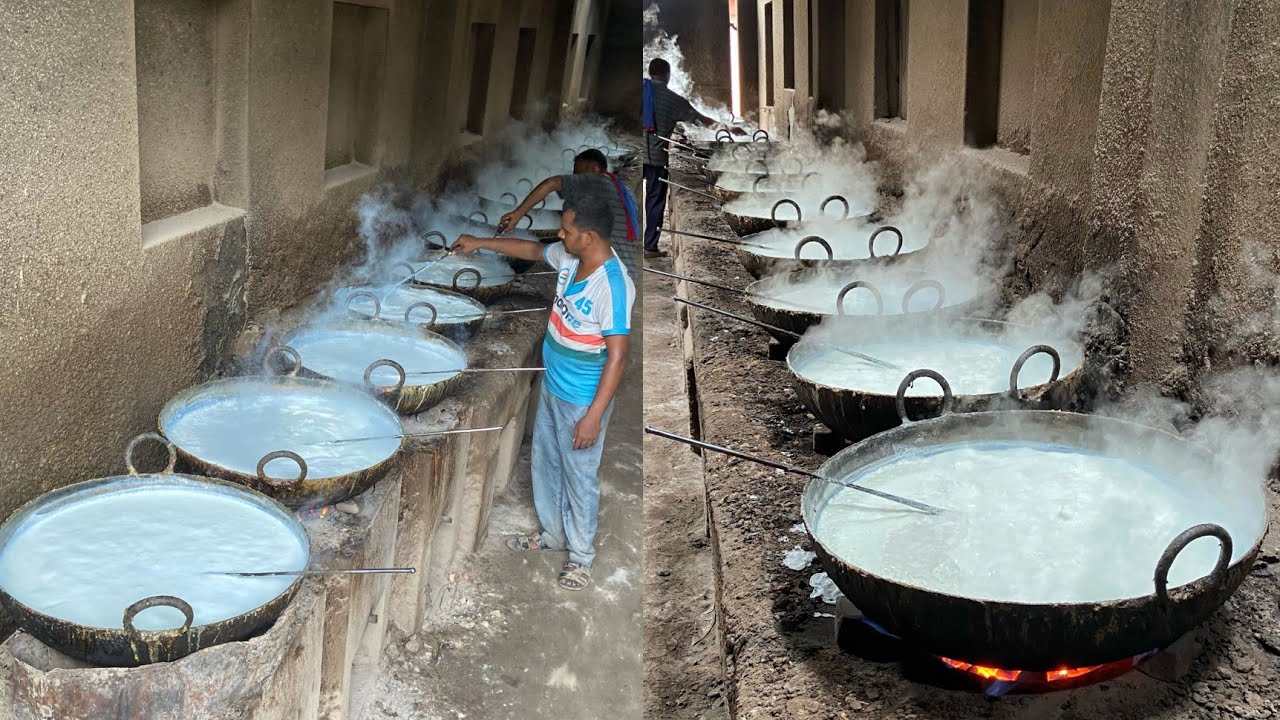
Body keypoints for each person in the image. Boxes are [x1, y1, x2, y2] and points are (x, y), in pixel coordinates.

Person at [452, 194, 635, 591]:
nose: (560, 234)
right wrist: (480, 242)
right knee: (546, 461)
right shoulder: (572, 259)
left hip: (582, 399)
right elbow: (533, 249)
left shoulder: (613, 286)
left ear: (588, 236)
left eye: (566, 230)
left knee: (579, 475)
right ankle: (553, 535)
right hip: (553, 384)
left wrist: (592, 416)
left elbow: (618, 357)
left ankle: (581, 557)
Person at [642, 57, 745, 259]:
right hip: (655, 159)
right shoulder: (672, 99)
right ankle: (649, 247)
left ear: (650, 72)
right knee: (654, 201)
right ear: (668, 75)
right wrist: (730, 128)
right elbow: (701, 120)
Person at [496, 149, 641, 279]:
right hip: (627, 270)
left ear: (594, 168)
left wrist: (518, 214)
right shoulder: (625, 192)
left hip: (606, 272)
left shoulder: (594, 181)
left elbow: (551, 183)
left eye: (578, 171)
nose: (575, 175)